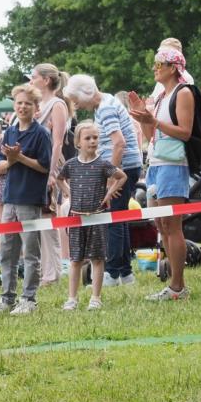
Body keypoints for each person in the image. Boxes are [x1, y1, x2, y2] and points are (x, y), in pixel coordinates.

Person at [127, 46, 195, 301]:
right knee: (161, 225)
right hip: (156, 162)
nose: (155, 68)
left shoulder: (183, 92)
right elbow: (151, 136)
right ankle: (176, 284)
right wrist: (143, 116)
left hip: (174, 165)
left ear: (173, 67)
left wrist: (152, 120)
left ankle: (178, 286)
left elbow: (185, 132)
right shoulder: (162, 97)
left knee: (171, 225)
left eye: (159, 63)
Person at [64, 74, 144, 287]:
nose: (75, 104)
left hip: (123, 168)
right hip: (129, 165)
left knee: (113, 220)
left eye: (75, 98)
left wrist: (111, 179)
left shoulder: (106, 108)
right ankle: (126, 273)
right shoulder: (107, 101)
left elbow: (119, 143)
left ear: (85, 93)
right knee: (120, 218)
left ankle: (112, 272)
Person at [0, 83, 53, 316]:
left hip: (30, 199)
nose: (23, 107)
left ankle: (29, 299)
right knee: (7, 251)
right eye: (19, 103)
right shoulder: (10, 131)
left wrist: (19, 157)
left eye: (28, 103)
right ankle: (7, 298)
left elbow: (44, 167)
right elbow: (7, 165)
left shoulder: (42, 134)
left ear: (36, 108)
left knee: (30, 251)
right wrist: (2, 164)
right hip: (10, 197)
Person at [57, 122, 127, 311]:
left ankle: (96, 297)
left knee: (97, 258)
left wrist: (109, 193)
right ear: (78, 142)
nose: (93, 141)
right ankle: (72, 298)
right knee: (75, 259)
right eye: (88, 138)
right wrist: (69, 193)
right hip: (76, 218)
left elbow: (122, 177)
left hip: (97, 217)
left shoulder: (103, 164)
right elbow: (59, 178)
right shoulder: (71, 165)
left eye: (95, 137)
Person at [29, 64, 73, 286]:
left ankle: (52, 273)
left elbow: (57, 142)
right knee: (36, 220)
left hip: (49, 167)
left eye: (33, 77)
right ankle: (42, 271)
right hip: (33, 166)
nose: (30, 80)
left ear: (45, 80)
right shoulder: (38, 106)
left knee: (48, 219)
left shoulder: (57, 105)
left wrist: (51, 173)